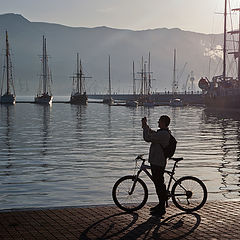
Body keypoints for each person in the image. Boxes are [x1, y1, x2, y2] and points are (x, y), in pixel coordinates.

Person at [142, 115, 171, 216]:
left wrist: (145, 127)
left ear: (163, 123)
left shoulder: (163, 134)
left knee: (159, 184)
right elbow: (152, 133)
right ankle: (160, 205)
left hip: (158, 162)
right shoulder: (162, 133)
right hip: (156, 161)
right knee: (158, 184)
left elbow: (147, 137)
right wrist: (146, 127)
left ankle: (162, 208)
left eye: (159, 121)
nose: (158, 123)